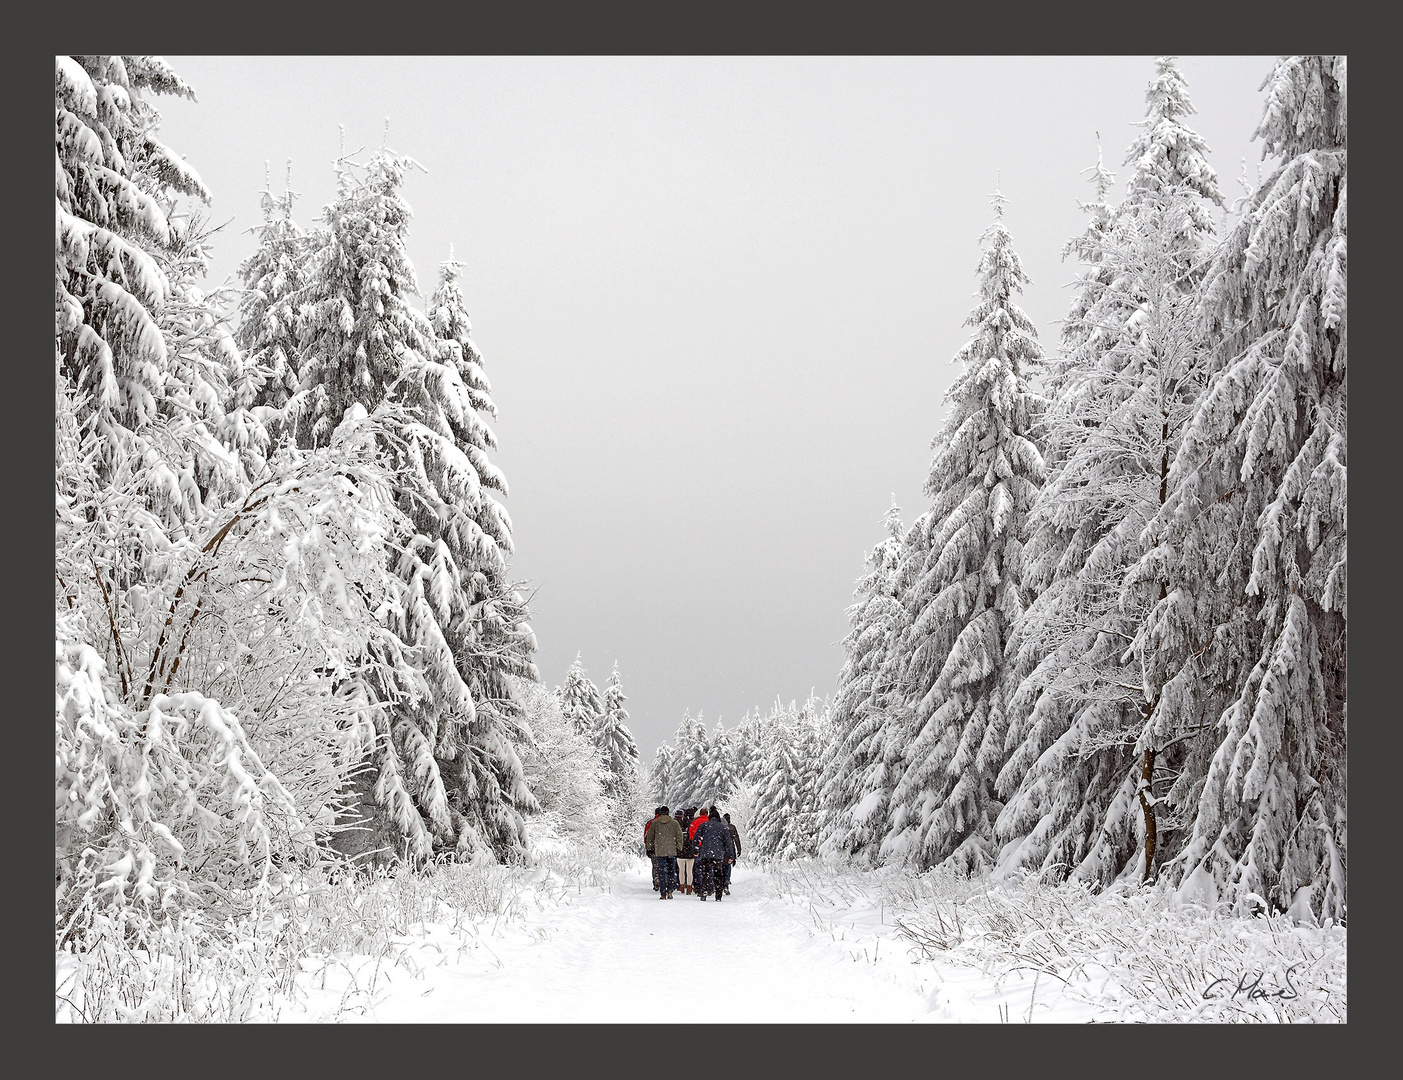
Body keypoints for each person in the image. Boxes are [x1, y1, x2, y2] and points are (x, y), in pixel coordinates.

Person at [692, 805, 736, 901]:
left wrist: (695, 850)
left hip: (705, 854)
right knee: (718, 874)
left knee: (705, 873)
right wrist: (730, 856)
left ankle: (704, 890)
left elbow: (696, 838)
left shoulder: (704, 825)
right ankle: (718, 895)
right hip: (718, 855)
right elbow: (728, 843)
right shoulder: (723, 828)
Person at [644, 804, 685, 899]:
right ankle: (670, 890)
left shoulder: (655, 823)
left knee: (661, 872)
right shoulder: (674, 823)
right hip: (672, 851)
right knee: (671, 871)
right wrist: (679, 847)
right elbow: (679, 836)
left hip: (660, 851)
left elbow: (649, 836)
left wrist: (650, 848)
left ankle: (663, 893)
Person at [644, 806, 668, 892]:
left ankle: (656, 882)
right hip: (664, 847)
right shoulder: (666, 822)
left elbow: (646, 836)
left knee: (655, 866)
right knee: (665, 865)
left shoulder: (650, 823)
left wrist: (648, 847)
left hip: (654, 848)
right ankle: (665, 881)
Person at [676, 809, 696, 895]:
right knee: (689, 871)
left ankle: (681, 887)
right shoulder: (691, 825)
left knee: (681, 870)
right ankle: (689, 888)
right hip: (690, 852)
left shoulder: (677, 825)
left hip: (680, 851)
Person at [721, 813, 741, 895]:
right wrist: (739, 849)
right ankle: (726, 883)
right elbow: (736, 838)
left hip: (721, 850)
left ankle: (720, 883)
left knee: (720, 867)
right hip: (730, 849)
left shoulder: (720, 828)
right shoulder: (732, 827)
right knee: (728, 866)